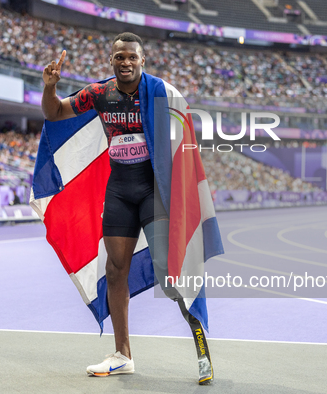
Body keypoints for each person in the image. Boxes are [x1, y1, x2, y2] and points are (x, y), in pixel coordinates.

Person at [41, 32, 214, 384]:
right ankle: (123, 355)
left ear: (142, 60)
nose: (126, 62)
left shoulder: (162, 94)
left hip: (154, 191)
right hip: (119, 191)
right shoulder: (99, 94)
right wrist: (49, 87)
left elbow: (184, 138)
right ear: (111, 61)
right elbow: (56, 112)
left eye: (132, 56)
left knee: (173, 269)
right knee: (116, 269)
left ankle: (202, 348)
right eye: (119, 57)